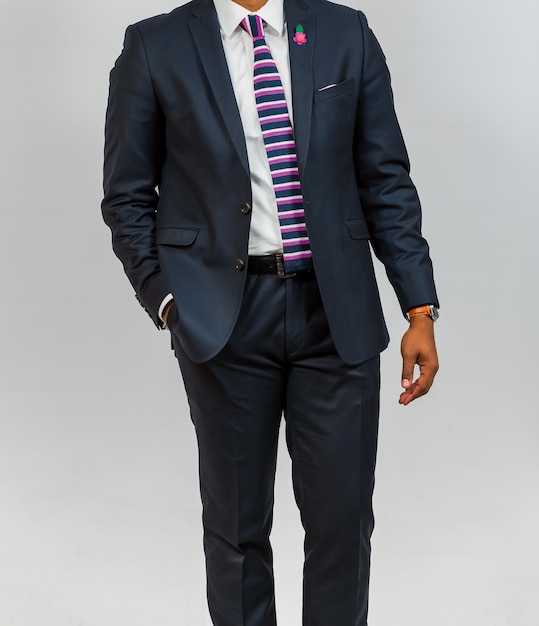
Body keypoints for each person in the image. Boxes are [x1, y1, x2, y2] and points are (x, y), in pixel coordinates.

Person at [101, 0, 439, 622]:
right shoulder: (154, 46)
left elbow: (385, 177)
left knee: (342, 526)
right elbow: (126, 198)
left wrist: (419, 306)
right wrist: (169, 302)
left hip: (335, 314)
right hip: (222, 318)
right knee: (235, 531)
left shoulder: (345, 32)